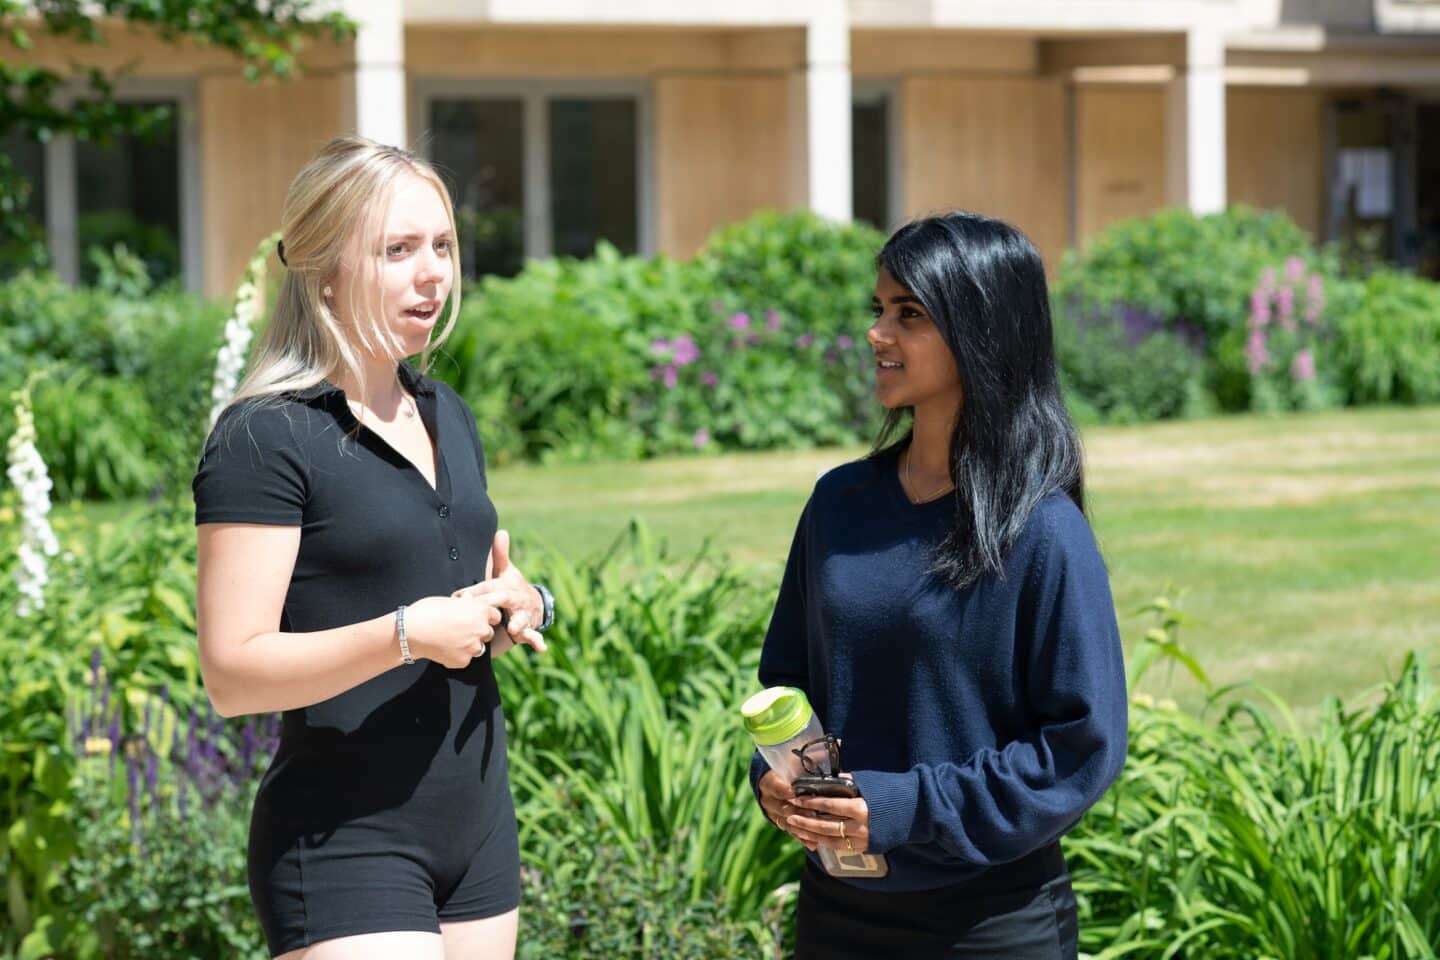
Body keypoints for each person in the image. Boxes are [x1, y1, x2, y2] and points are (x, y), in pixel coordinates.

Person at [193, 136, 555, 960]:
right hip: (344, 840)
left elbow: (442, 578)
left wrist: (516, 601)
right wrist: (406, 634)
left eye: (442, 245)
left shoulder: (444, 412)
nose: (433, 273)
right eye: (398, 250)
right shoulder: (266, 436)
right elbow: (231, 673)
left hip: (477, 828)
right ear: (323, 268)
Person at [751, 212, 1128, 958]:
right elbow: (791, 678)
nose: (878, 334)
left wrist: (903, 805)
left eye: (910, 314)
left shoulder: (1043, 531)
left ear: (981, 331)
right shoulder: (839, 503)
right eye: (880, 309)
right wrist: (780, 780)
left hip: (990, 924)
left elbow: (1080, 744)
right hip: (839, 908)